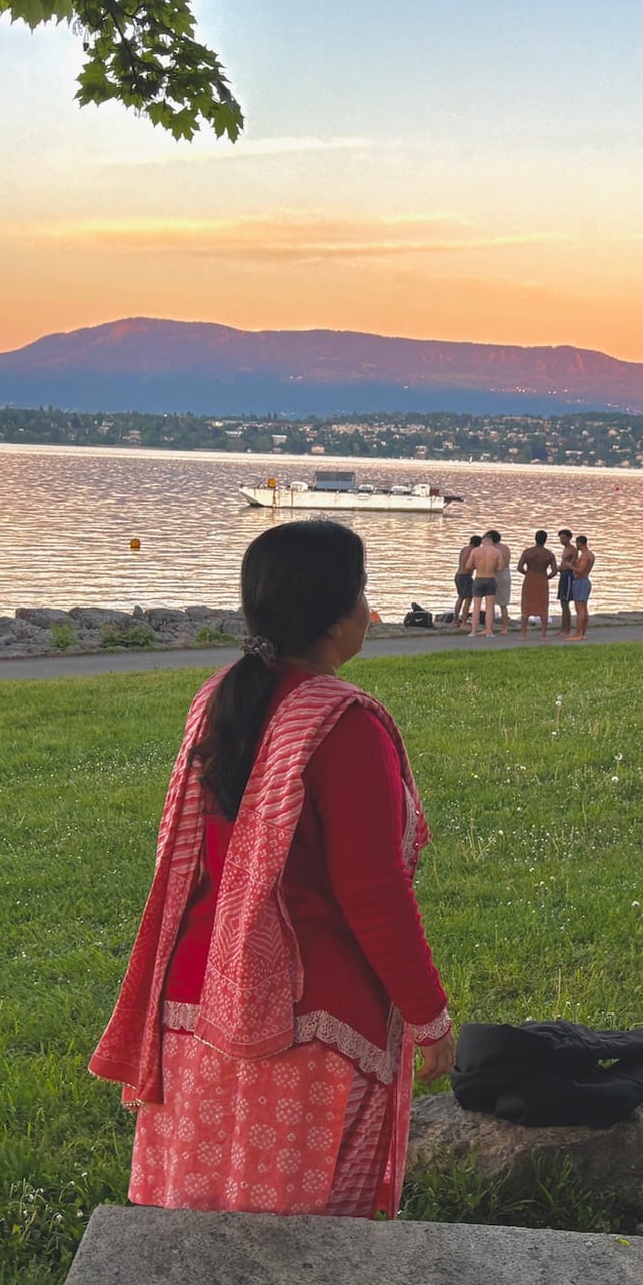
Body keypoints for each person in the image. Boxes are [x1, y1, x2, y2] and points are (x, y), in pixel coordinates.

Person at [89, 519, 453, 1218]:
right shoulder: (343, 725)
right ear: (337, 613)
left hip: (195, 1006)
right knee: (300, 1249)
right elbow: (372, 892)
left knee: (198, 1223)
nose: (367, 608)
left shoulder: (218, 701)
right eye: (362, 591)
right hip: (304, 1027)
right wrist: (428, 1016)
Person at [517, 531, 560, 638]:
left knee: (526, 607)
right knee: (543, 607)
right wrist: (547, 577)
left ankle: (523, 634)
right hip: (542, 581)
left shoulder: (527, 552)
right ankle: (544, 635)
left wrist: (527, 574)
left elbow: (519, 568)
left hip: (529, 580)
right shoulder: (549, 554)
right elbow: (554, 571)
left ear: (535, 539)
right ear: (545, 540)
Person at [469, 530, 508, 637]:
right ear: (491, 542)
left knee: (476, 606)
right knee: (489, 607)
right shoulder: (497, 552)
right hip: (490, 578)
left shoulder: (475, 551)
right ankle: (489, 631)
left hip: (479, 578)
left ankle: (473, 631)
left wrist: (477, 566)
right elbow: (500, 568)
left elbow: (468, 565)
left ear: (482, 541)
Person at [567, 534, 595, 640]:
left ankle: (578, 634)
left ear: (579, 543)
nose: (576, 546)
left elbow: (580, 570)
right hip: (584, 581)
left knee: (580, 609)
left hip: (581, 581)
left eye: (576, 543)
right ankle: (582, 633)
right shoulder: (590, 554)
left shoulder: (585, 555)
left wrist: (570, 566)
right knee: (584, 607)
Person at [553, 528, 575, 638]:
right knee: (562, 602)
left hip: (569, 576)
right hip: (563, 575)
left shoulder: (572, 550)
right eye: (560, 538)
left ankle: (567, 629)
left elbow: (574, 565)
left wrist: (564, 567)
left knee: (566, 602)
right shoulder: (565, 549)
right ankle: (563, 628)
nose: (562, 540)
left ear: (569, 538)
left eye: (564, 538)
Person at [454, 535, 481, 623]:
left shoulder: (464, 549)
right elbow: (470, 566)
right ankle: (464, 622)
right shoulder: (473, 551)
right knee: (468, 599)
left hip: (458, 575)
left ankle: (456, 619)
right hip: (466, 576)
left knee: (460, 597)